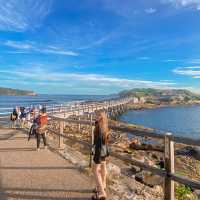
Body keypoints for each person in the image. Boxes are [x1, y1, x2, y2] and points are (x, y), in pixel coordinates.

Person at [92, 110, 110, 200]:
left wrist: (97, 155)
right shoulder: (104, 125)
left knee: (95, 170)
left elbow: (98, 142)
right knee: (103, 167)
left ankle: (102, 193)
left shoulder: (99, 127)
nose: (95, 116)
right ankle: (103, 185)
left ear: (100, 117)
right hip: (104, 150)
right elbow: (105, 140)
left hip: (99, 151)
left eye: (97, 115)